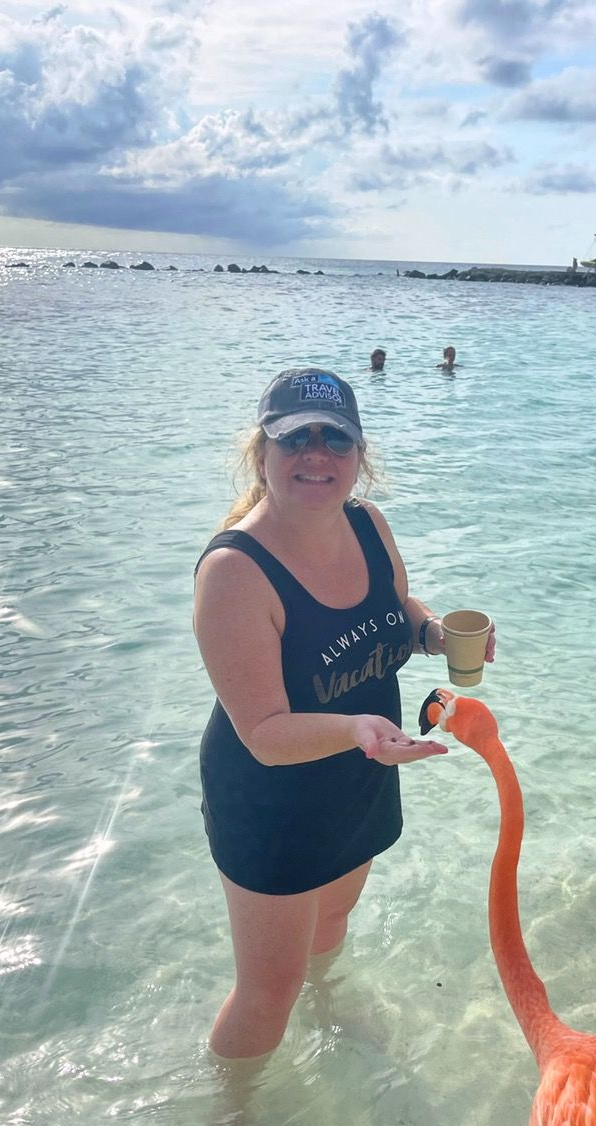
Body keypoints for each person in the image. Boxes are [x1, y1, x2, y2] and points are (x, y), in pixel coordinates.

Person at [193, 368, 493, 1060]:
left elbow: (400, 610)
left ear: (360, 456)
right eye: (296, 438)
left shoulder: (366, 524)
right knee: (267, 990)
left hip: (359, 768)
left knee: (332, 922)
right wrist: (358, 730)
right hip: (272, 798)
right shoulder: (235, 572)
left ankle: (327, 1011)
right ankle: (233, 1125)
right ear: (260, 455)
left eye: (337, 440)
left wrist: (434, 635)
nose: (317, 455)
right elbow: (264, 734)